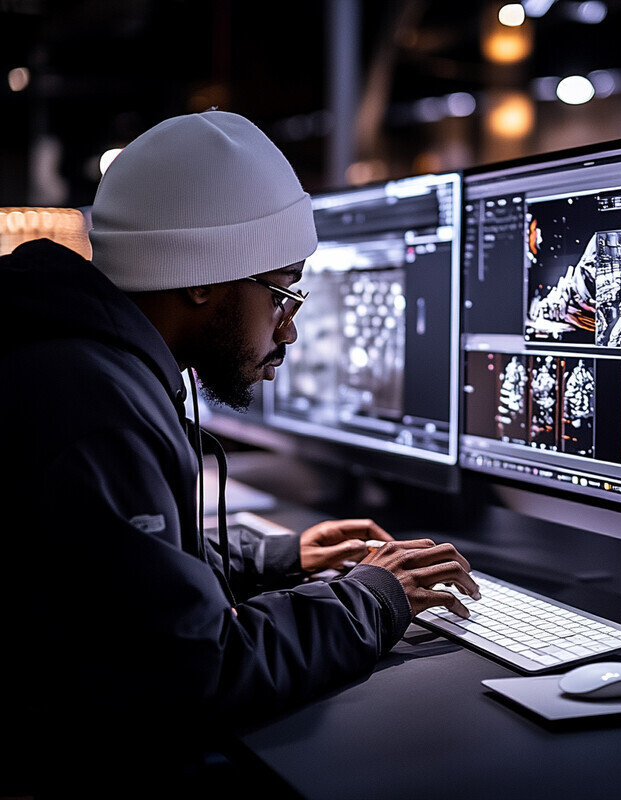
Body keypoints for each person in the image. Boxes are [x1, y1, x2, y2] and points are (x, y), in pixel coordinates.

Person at [0, 110, 479, 797]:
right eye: (282, 290)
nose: (287, 328)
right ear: (202, 278)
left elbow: (107, 575)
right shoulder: (93, 411)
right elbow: (191, 669)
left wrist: (276, 559)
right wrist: (371, 599)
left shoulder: (76, 357)